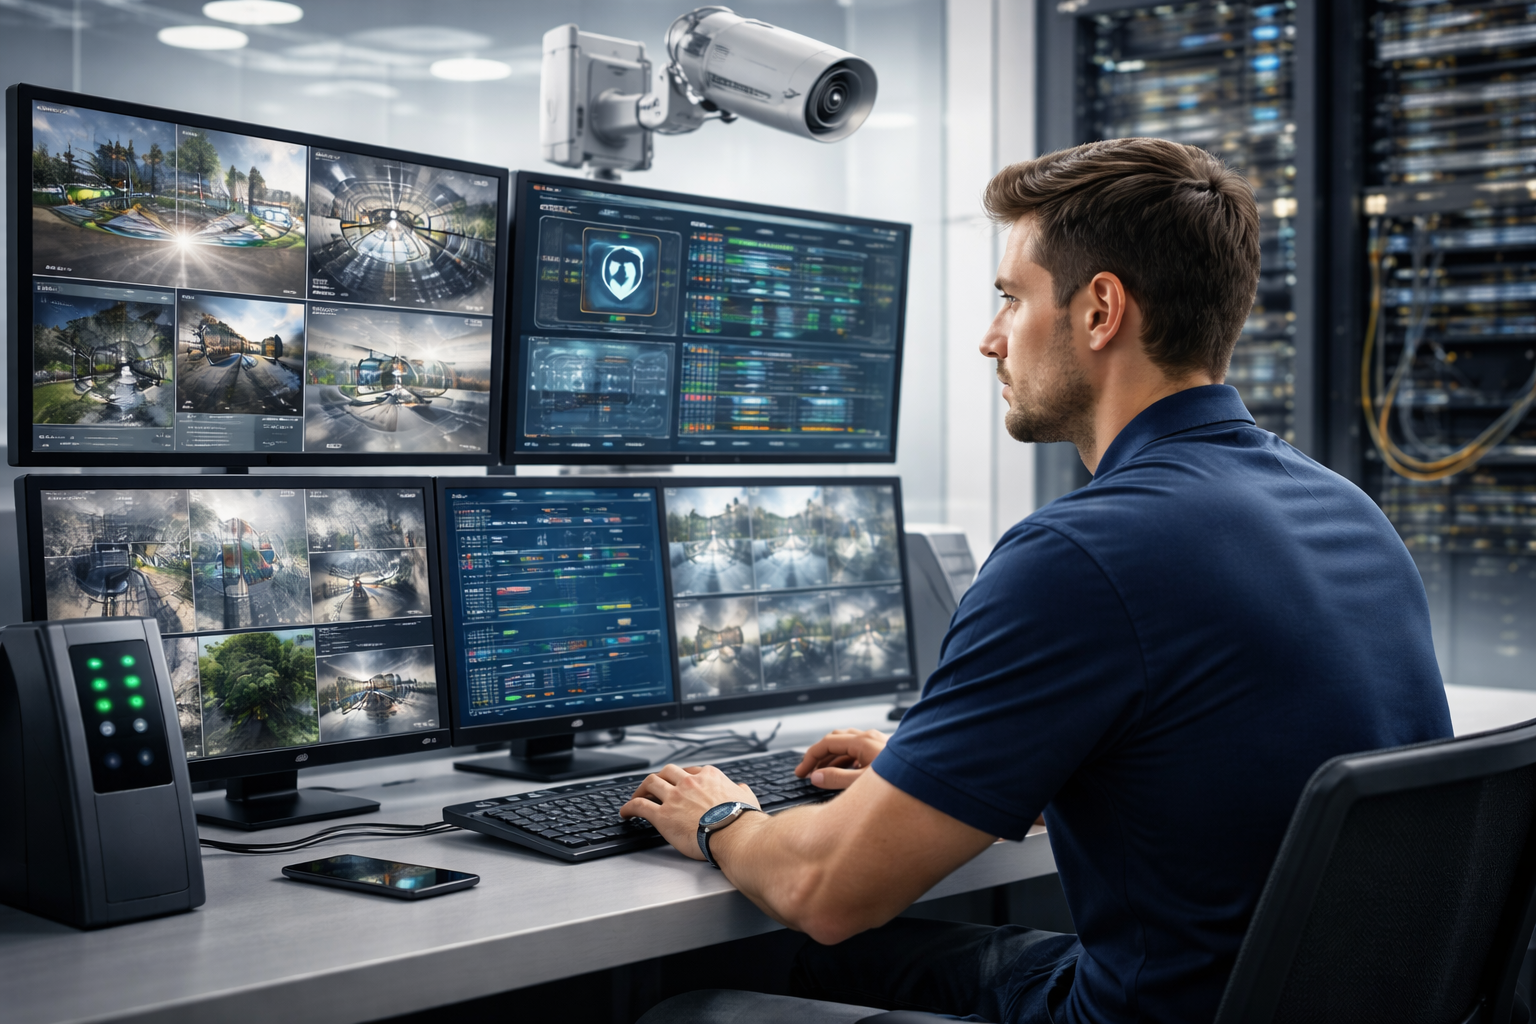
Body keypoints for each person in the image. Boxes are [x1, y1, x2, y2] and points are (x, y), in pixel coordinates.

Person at [628, 138, 1453, 1024]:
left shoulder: (1080, 552)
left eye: (1010, 298)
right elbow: (1228, 789)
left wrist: (723, 817)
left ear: (1100, 309)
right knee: (829, 968)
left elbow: (826, 890)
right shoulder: (1345, 509)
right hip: (1296, 999)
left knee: (690, 1011)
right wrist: (961, 781)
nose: (990, 340)